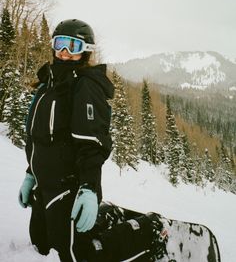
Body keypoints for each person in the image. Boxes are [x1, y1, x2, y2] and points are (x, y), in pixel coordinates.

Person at [18, 19, 167, 262]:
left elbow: (92, 144)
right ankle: (104, 218)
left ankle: (150, 230)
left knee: (78, 255)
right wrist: (30, 174)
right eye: (61, 44)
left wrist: (88, 188)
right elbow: (40, 138)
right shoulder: (48, 85)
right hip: (44, 186)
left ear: (85, 50)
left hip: (69, 186)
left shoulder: (85, 86)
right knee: (41, 246)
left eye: (73, 46)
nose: (65, 52)